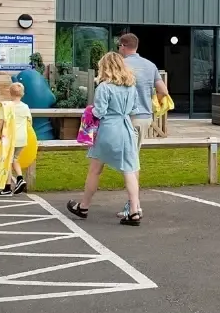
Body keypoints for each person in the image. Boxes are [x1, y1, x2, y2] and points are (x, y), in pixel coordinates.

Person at [66, 52, 144, 226]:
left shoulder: (104, 87)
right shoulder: (131, 86)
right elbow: (134, 109)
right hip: (126, 129)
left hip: (108, 129)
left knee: (95, 169)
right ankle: (134, 211)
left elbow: (99, 112)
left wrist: (89, 111)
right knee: (130, 170)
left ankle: (84, 206)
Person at [115, 33, 168, 220]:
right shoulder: (150, 65)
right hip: (145, 116)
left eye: (118, 47)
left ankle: (134, 206)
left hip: (128, 117)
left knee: (130, 162)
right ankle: (133, 204)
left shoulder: (121, 65)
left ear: (123, 46)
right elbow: (163, 91)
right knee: (133, 158)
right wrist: (154, 102)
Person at [0, 82, 32, 195]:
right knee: (14, 159)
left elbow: (0, 122)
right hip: (22, 138)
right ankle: (20, 179)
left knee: (7, 162)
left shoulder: (6, 106)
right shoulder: (25, 107)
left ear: (10, 93)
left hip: (9, 138)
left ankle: (7, 187)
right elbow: (29, 122)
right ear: (22, 94)